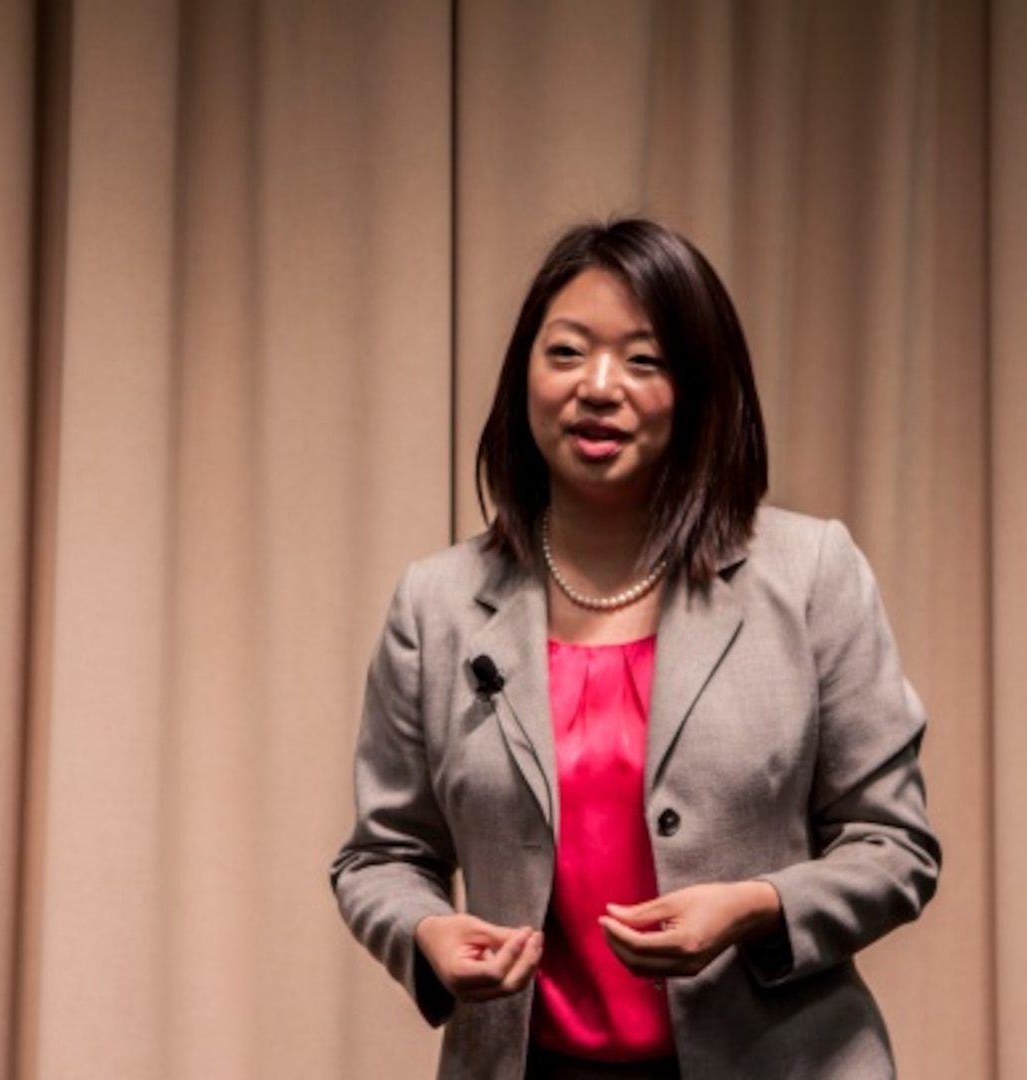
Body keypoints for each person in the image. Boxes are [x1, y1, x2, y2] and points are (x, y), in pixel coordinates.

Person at [330, 218, 940, 1080]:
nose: (598, 387)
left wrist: (756, 906)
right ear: (523, 380)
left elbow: (893, 846)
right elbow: (380, 856)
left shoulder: (809, 574)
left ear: (697, 389)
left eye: (643, 361)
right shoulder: (434, 604)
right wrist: (427, 932)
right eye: (567, 352)